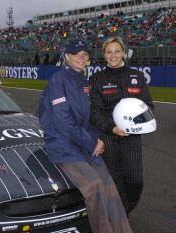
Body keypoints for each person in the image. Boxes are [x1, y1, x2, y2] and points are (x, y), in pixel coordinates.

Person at [38, 39, 132, 233]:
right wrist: (91, 143)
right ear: (67, 57)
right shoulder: (58, 80)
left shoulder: (83, 81)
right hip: (63, 147)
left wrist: (97, 140)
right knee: (94, 185)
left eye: (85, 54)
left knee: (110, 187)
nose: (81, 57)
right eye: (76, 53)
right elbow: (63, 121)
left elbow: (87, 118)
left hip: (84, 146)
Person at [89, 36, 154, 214]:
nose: (113, 55)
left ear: (124, 53)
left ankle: (123, 211)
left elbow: (148, 107)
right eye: (109, 52)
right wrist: (111, 128)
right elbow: (94, 112)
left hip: (132, 137)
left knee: (135, 181)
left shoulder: (137, 76)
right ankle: (121, 218)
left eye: (117, 51)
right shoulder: (96, 79)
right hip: (108, 136)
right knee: (115, 180)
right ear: (104, 54)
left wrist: (139, 124)